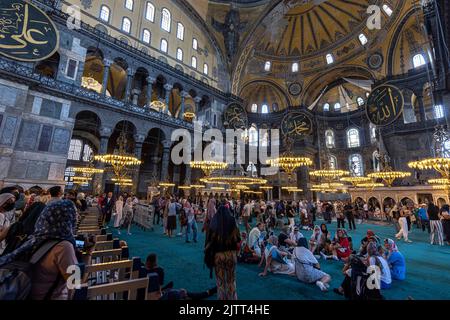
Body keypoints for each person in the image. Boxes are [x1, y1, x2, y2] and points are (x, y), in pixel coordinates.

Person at [204, 204, 240, 300]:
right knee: (231, 281)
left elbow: (209, 241)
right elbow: (238, 239)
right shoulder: (232, 221)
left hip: (218, 256)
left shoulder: (214, 222)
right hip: (231, 255)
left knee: (220, 283)